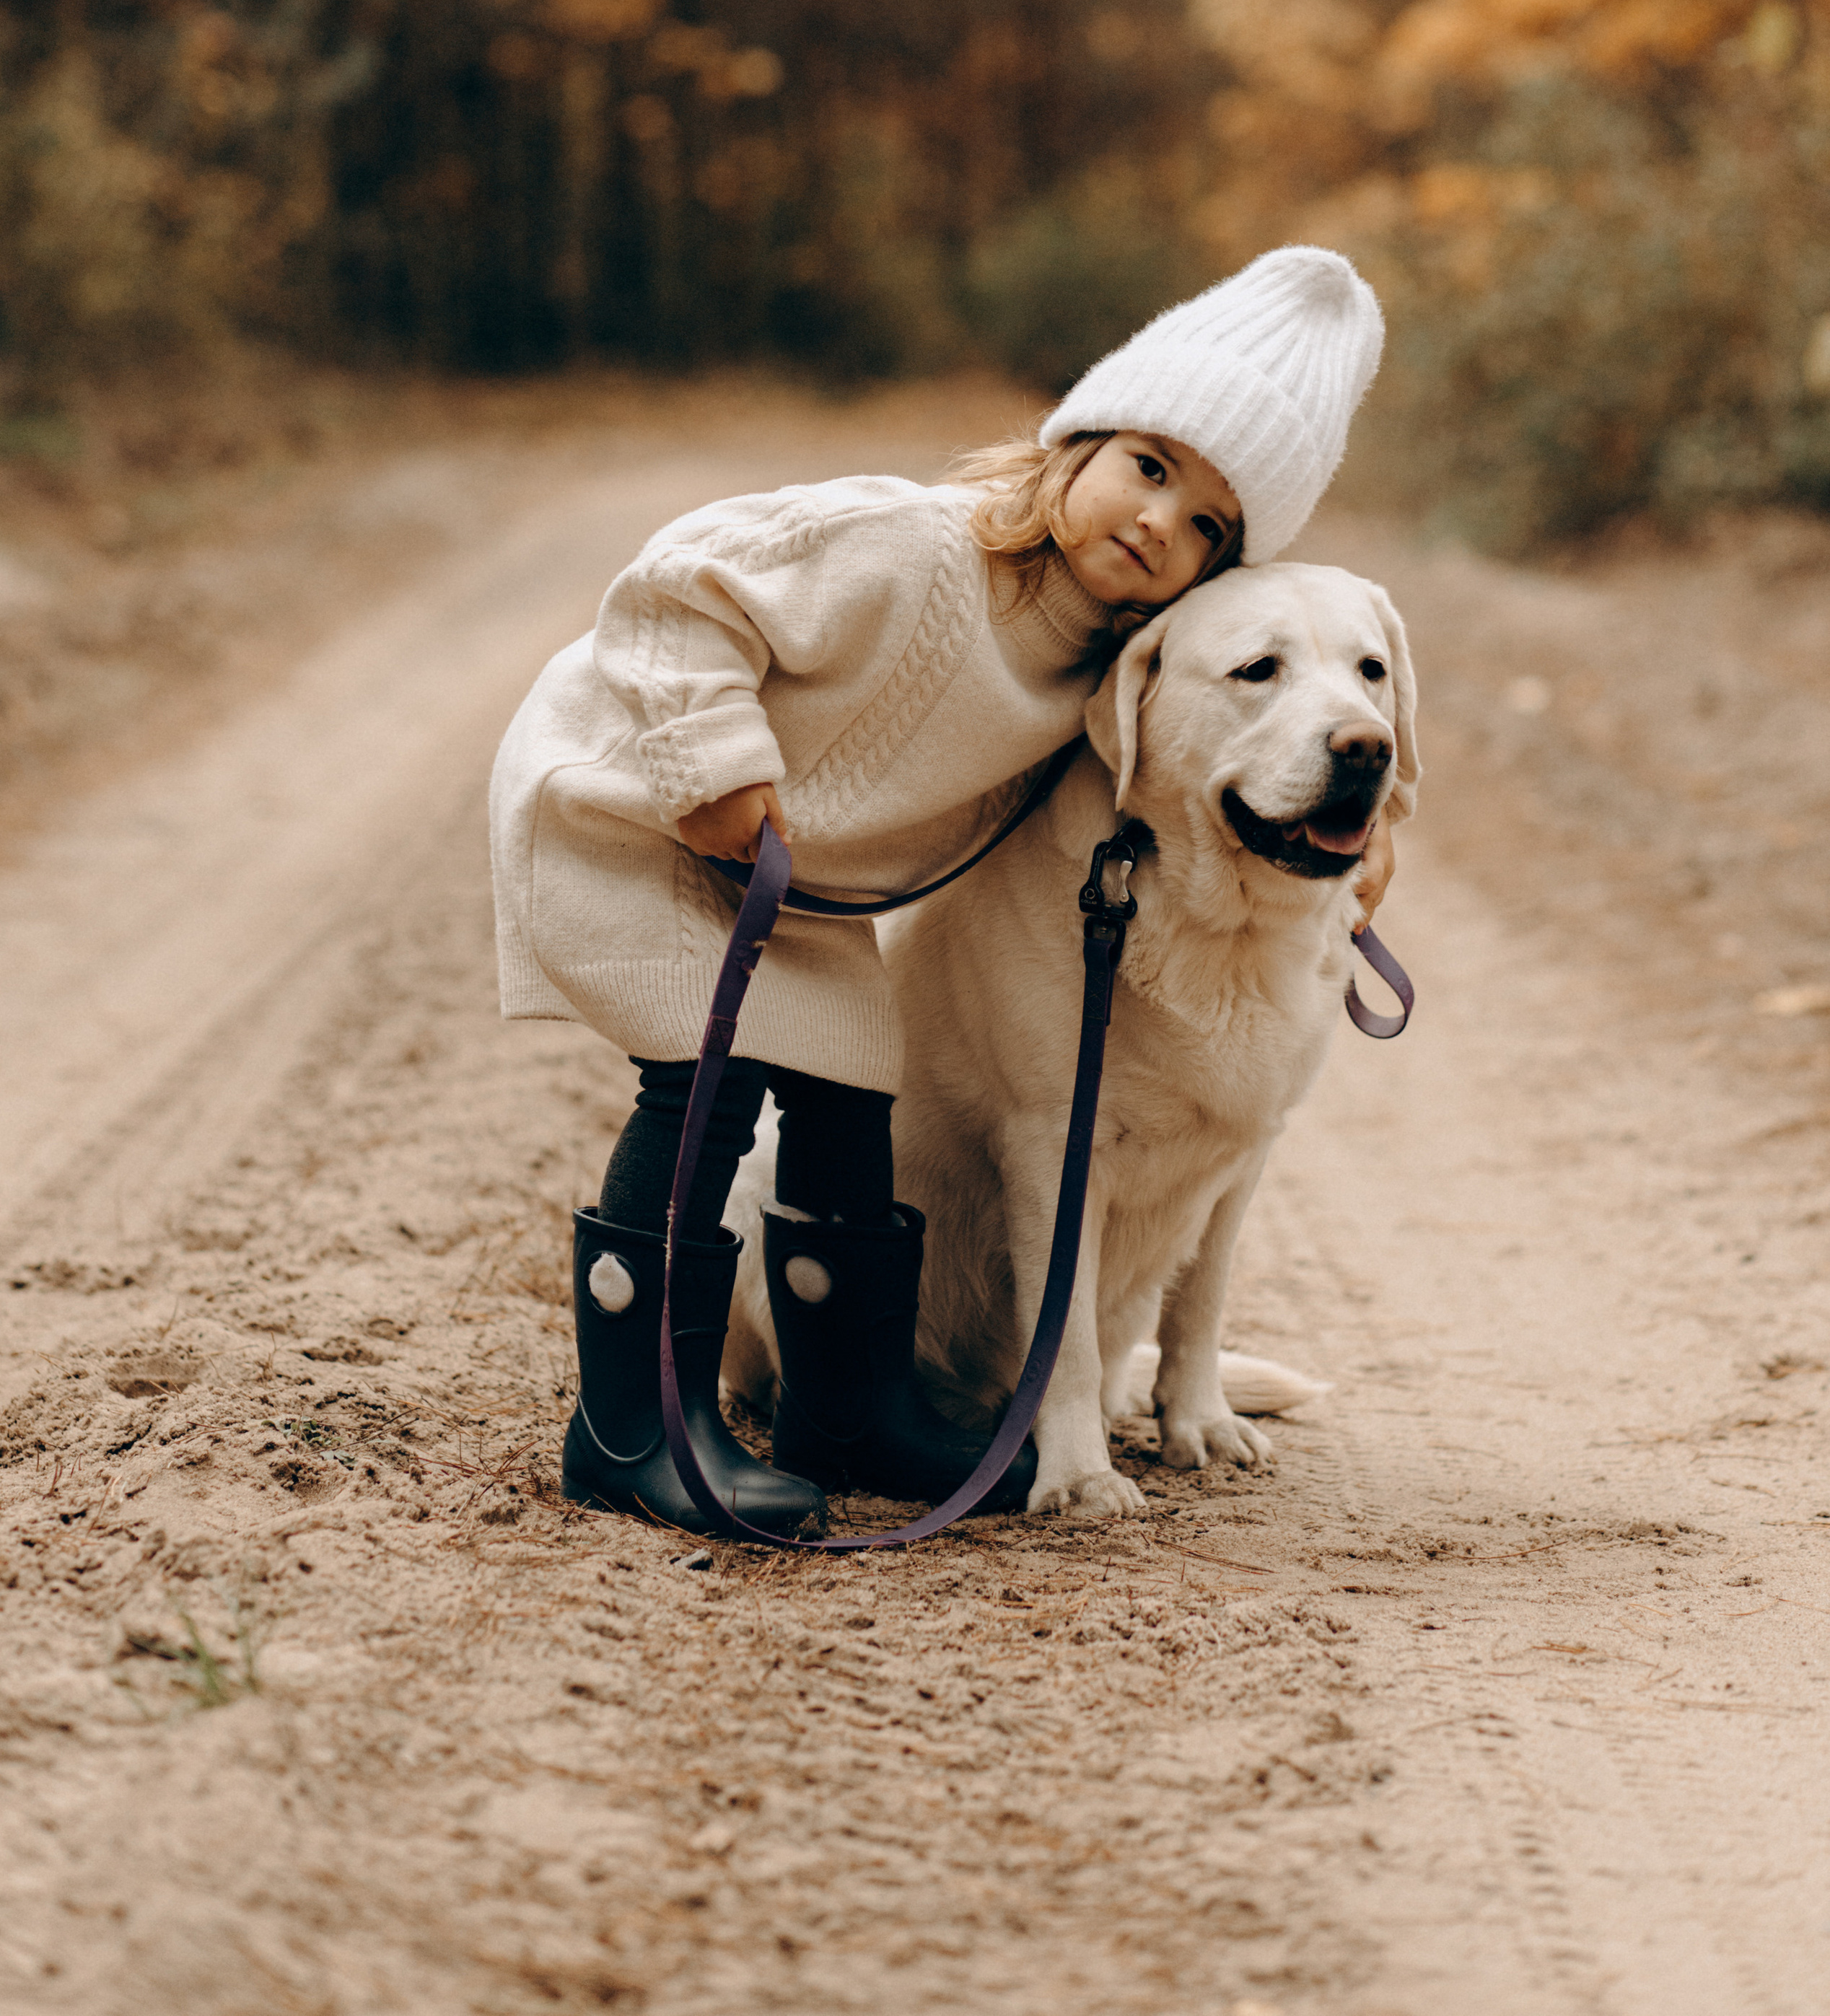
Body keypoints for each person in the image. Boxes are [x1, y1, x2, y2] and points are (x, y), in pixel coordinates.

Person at [490, 245, 1391, 1538]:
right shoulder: (908, 544)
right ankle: (636, 1431)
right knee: (708, 1080)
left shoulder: (1104, 660)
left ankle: (850, 1410)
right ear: (1076, 442)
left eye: (1207, 526)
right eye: (1150, 467)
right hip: (637, 802)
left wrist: (1362, 827)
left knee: (854, 1081)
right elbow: (676, 585)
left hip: (795, 881)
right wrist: (713, 766)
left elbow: (1193, 760)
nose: (1160, 524)